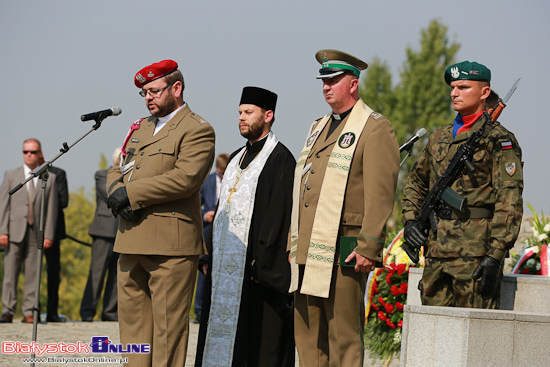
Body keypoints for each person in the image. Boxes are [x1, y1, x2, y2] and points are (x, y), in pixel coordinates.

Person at [288, 50, 399, 366]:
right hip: (308, 246)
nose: (326, 86)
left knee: (343, 335)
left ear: (353, 83)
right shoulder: (318, 126)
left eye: (334, 80)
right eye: (323, 81)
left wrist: (369, 246)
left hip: (346, 247)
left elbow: (380, 193)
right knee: (308, 335)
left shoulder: (374, 127)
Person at [106, 59, 215, 366]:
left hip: (171, 247)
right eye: (144, 94)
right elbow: (119, 167)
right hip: (130, 241)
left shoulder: (197, 129)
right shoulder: (140, 128)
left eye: (154, 91)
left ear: (176, 88)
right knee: (133, 336)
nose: (148, 98)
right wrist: (115, 191)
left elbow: (185, 178)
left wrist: (130, 194)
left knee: (168, 335)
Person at [401, 61, 523, 308]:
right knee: (433, 334)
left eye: (463, 87)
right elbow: (415, 183)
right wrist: (411, 220)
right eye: (453, 87)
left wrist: (495, 254)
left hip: (475, 255)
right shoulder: (438, 137)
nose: (453, 93)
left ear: (484, 92)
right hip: (436, 253)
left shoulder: (499, 139)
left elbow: (509, 199)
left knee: (475, 338)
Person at [196, 86, 295, 367]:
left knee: (255, 346)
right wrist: (209, 254)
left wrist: (259, 264)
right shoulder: (235, 159)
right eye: (240, 112)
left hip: (255, 272)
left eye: (248, 112)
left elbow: (279, 217)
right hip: (224, 270)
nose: (241, 117)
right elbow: (222, 211)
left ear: (268, 115)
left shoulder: (281, 159)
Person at [0, 138, 58, 323]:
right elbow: (4, 205)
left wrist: (48, 235)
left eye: (33, 152)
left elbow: (52, 210)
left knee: (34, 273)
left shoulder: (50, 178)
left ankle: (29, 312)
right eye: (26, 152)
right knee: (10, 272)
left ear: (40, 153)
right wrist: (2, 231)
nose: (29, 155)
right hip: (14, 230)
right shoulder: (11, 175)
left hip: (38, 233)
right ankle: (8, 310)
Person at [80, 148, 121, 322]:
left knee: (117, 274)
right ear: (116, 160)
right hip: (103, 230)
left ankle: (110, 311)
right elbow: (111, 194)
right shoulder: (102, 175)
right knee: (97, 273)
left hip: (123, 232)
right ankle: (88, 311)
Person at [193, 152, 229, 324]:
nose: (223, 176)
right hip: (208, 229)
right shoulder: (206, 181)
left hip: (227, 230)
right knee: (204, 269)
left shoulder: (232, 180)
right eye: (221, 173)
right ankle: (199, 311)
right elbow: (194, 205)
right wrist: (204, 215)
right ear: (217, 169)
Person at [37, 156, 68, 323]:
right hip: (31, 228)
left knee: (53, 272)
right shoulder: (29, 176)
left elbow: (63, 201)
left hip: (53, 230)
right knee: (31, 273)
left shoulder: (59, 174)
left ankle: (52, 312)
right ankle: (32, 311)